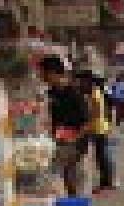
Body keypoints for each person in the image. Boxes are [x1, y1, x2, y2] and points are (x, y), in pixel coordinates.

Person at [40, 55, 91, 196]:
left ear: (52, 73)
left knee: (72, 183)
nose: (42, 78)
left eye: (44, 74)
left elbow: (86, 123)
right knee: (62, 181)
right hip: (59, 143)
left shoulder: (75, 94)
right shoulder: (50, 93)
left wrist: (73, 139)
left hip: (75, 146)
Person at [76, 69, 120, 193]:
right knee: (103, 155)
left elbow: (96, 112)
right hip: (100, 126)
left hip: (99, 127)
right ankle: (107, 182)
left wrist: (87, 125)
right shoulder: (95, 91)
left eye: (81, 80)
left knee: (102, 156)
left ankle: (106, 183)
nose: (79, 83)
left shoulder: (95, 93)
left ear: (87, 81)